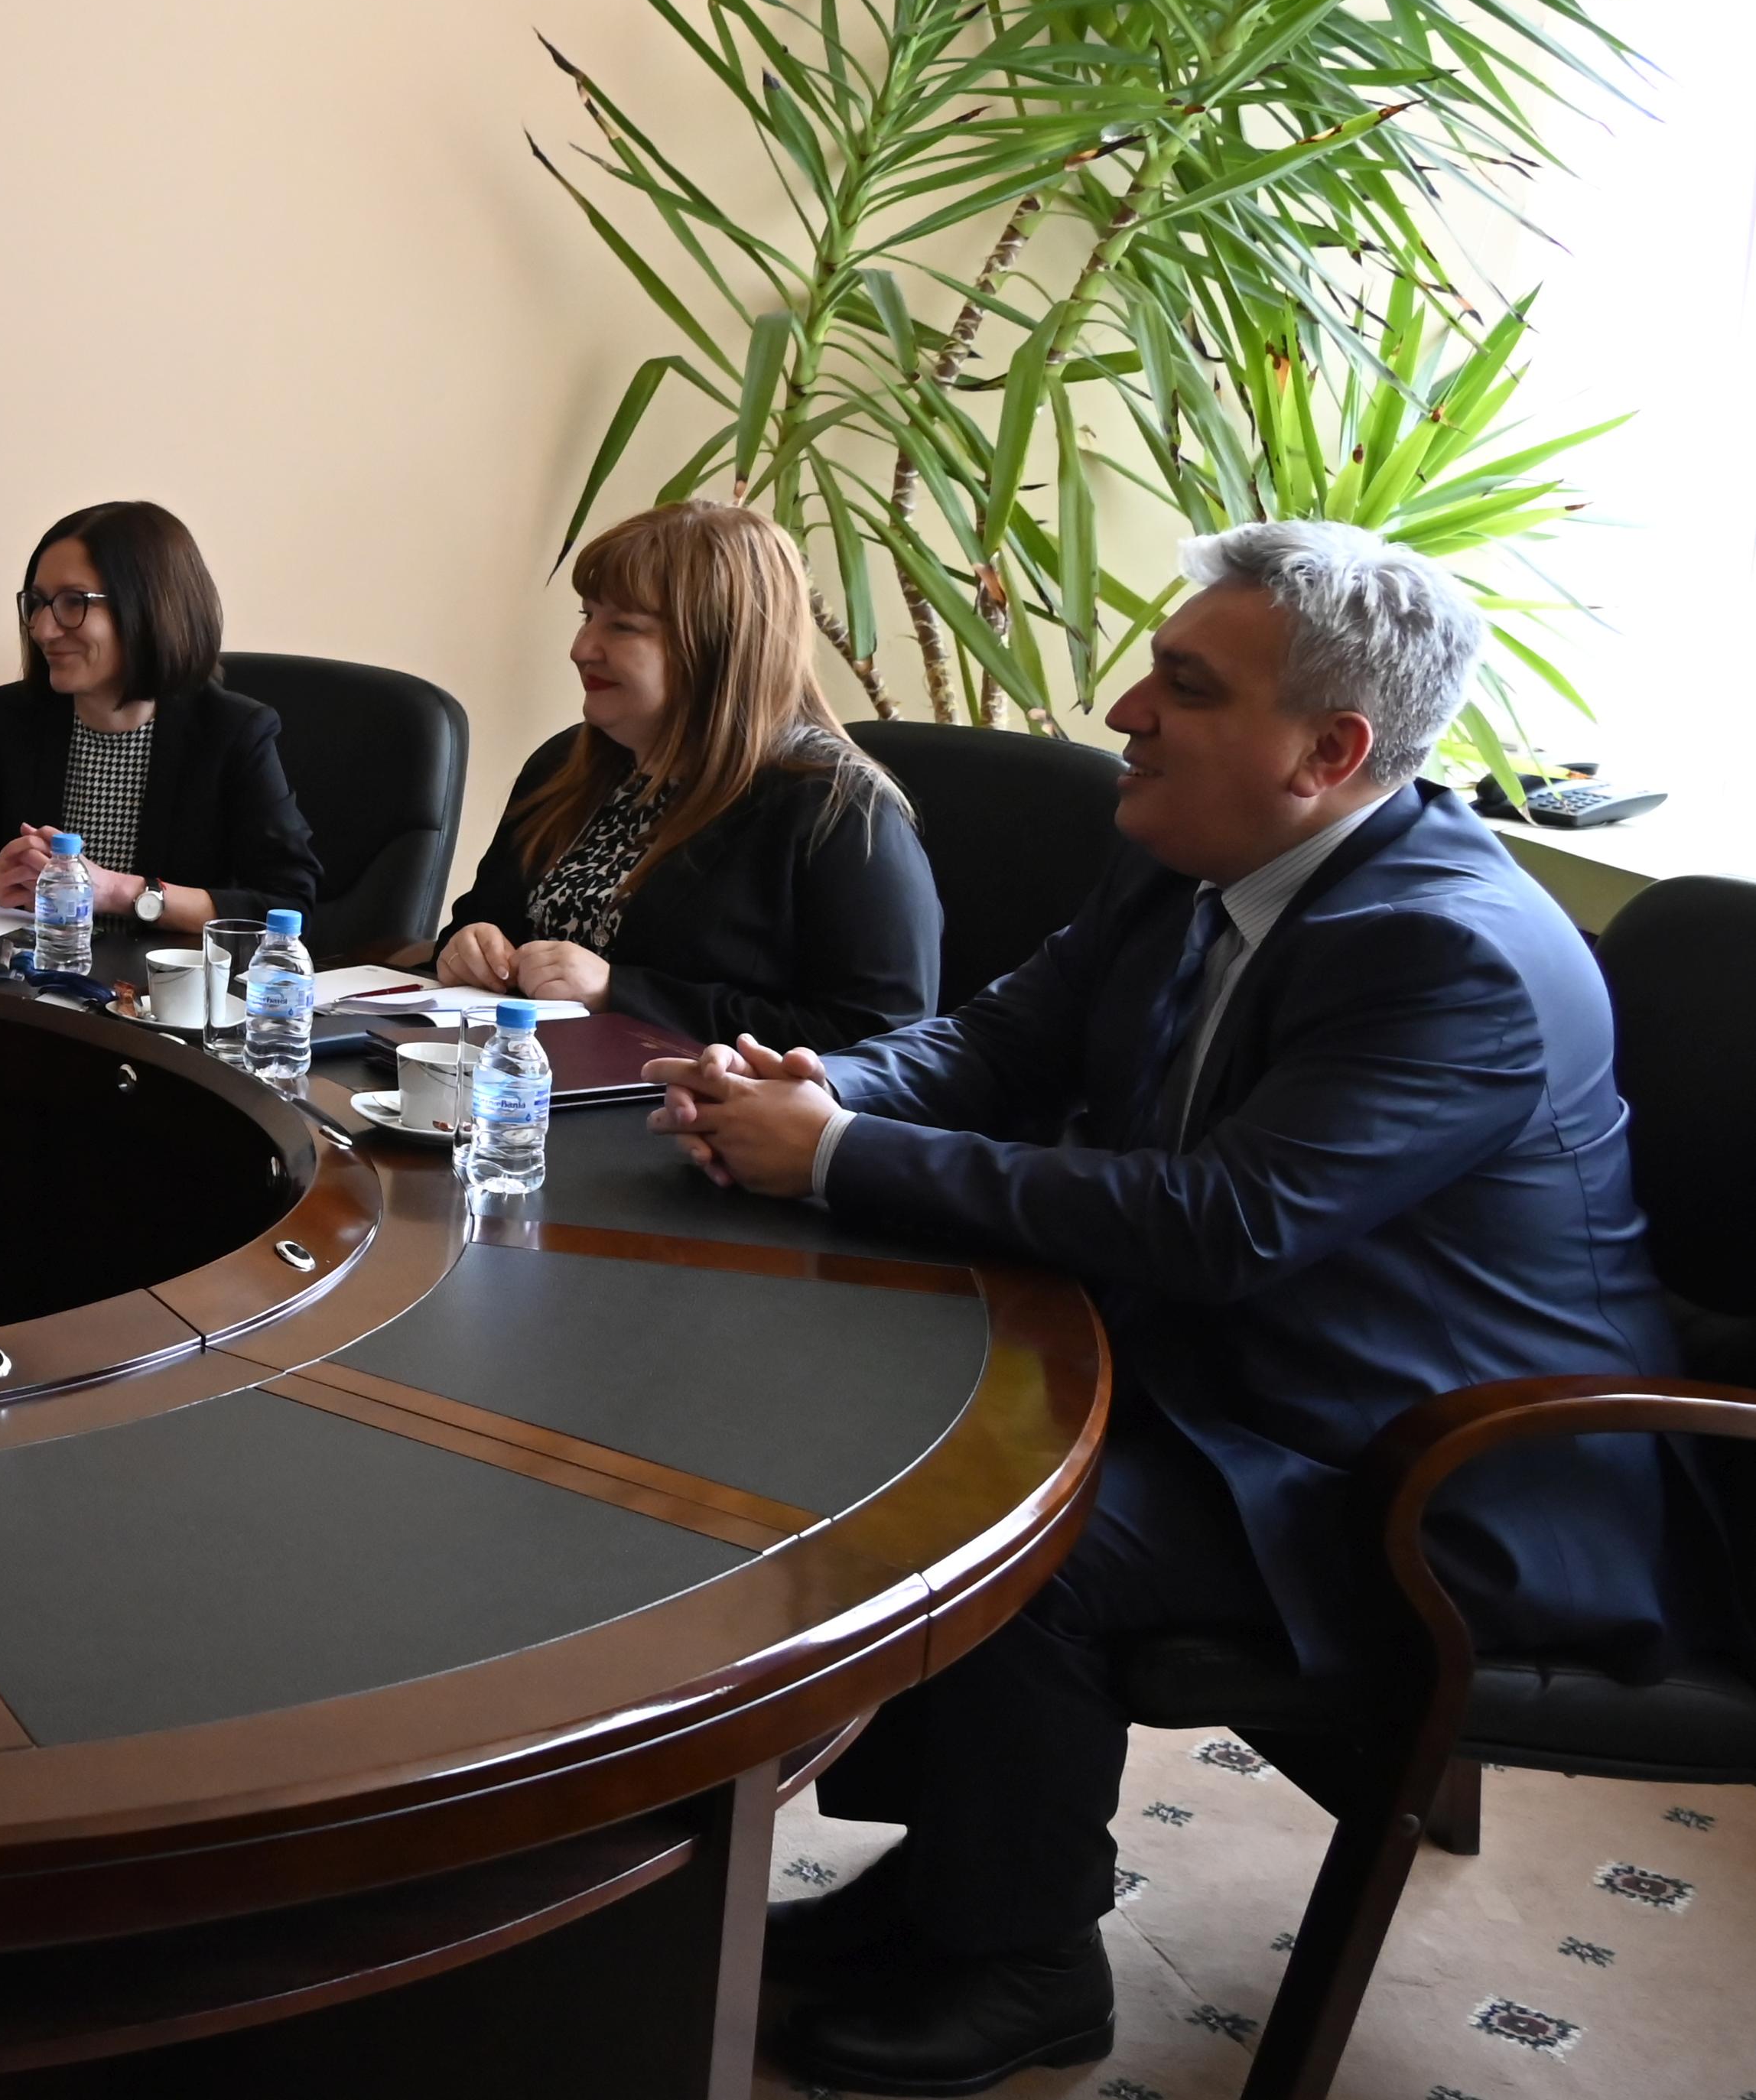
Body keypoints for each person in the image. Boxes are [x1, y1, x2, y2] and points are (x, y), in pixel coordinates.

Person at [647, 523, 1715, 2095]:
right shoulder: (1187, 853)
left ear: (1329, 751)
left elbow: (1227, 1222)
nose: (1125, 712)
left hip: (1442, 1466)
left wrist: (835, 1155)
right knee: (887, 1430)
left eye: (1186, 686)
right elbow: (998, 1045)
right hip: (1253, 1378)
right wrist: (820, 1087)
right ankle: (954, 1881)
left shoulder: (1451, 952)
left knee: (1008, 1535)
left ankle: (1027, 1964)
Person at [426, 500, 936, 1048]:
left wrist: (618, 993)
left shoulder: (837, 806)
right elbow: (482, 925)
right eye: (587, 616)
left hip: (687, 1099)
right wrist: (468, 948)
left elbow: (881, 1034)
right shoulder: (564, 765)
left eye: (623, 627)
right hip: (514, 1081)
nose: (581, 649)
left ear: (718, 645)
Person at [0, 501, 320, 931]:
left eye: (73, 602)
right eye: (38, 603)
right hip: (32, 968)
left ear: (149, 609)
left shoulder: (232, 732)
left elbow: (288, 903)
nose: (43, 629)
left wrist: (118, 892)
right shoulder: (13, 717)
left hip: (159, 973)